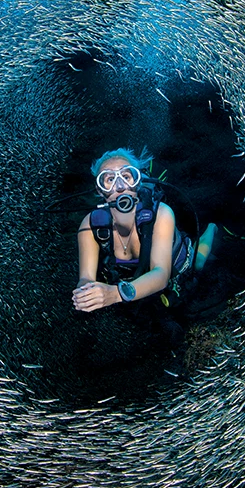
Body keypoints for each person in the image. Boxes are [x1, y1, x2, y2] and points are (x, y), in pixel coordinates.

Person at [71, 148, 197, 352]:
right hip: (135, 285)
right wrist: (85, 293)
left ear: (137, 181)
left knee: (202, 260)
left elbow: (161, 274)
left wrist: (115, 294)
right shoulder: (89, 225)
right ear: (99, 190)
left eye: (127, 176)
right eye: (109, 179)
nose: (120, 186)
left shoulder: (161, 213)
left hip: (179, 267)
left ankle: (212, 231)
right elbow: (85, 277)